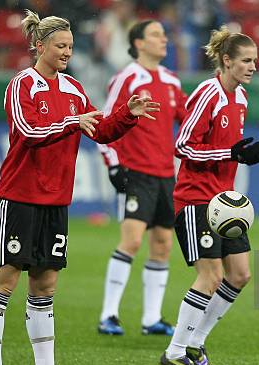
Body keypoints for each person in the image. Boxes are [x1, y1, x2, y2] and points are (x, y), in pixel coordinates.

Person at [0, 9, 159, 365]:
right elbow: (27, 131)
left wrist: (127, 114)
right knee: (5, 282)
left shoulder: (74, 88)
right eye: (60, 46)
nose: (66, 53)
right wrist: (70, 124)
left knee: (45, 285)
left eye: (71, 47)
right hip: (20, 196)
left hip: (56, 200)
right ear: (39, 45)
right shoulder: (22, 85)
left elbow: (101, 128)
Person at [159, 26, 259, 365]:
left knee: (241, 274)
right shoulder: (209, 93)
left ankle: (195, 341)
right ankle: (174, 351)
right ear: (226, 60)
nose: (252, 67)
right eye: (246, 61)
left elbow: (227, 151)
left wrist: (241, 155)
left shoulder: (242, 99)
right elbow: (183, 146)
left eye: (255, 61)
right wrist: (230, 151)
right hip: (194, 198)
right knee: (211, 276)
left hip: (223, 201)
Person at [96, 20, 187, 336]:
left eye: (164, 34)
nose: (164, 39)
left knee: (162, 244)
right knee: (132, 240)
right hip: (136, 172)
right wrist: (112, 164)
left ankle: (151, 319)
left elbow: (189, 121)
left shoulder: (172, 81)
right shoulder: (126, 78)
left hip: (166, 175)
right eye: (156, 35)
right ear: (138, 43)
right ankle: (108, 314)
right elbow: (105, 124)